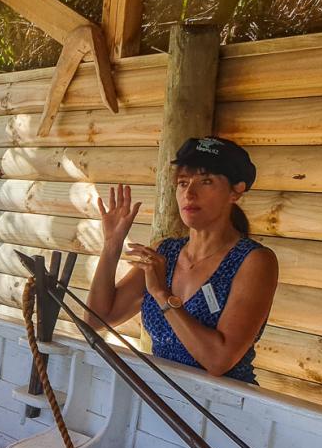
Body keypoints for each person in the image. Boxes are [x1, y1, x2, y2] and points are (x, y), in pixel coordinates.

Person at [86, 137, 278, 384]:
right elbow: (96, 319)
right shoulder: (165, 251)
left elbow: (218, 360)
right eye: (183, 183)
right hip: (163, 397)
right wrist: (112, 245)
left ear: (236, 191)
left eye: (206, 181)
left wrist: (161, 294)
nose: (190, 193)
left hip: (221, 407)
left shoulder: (254, 261)